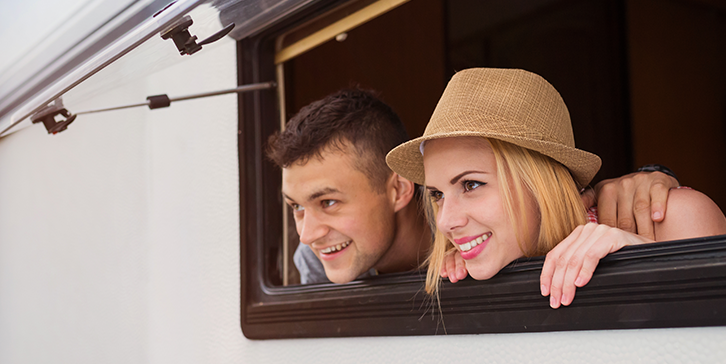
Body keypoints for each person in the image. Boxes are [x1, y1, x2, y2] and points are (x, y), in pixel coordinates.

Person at [384, 68, 726, 305]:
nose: (445, 222)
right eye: (438, 195)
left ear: (540, 183)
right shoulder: (474, 266)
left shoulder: (672, 219)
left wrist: (641, 261)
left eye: (472, 184)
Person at [267, 88, 682, 284]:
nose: (307, 234)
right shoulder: (314, 262)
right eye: (296, 207)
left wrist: (646, 185)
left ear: (398, 190)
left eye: (329, 202)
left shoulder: (628, 217)